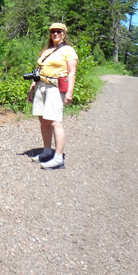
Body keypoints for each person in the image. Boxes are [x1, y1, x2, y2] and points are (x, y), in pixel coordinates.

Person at [27, 22, 78, 170]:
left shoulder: (68, 50)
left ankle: (58, 158)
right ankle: (47, 152)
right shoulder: (48, 50)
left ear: (64, 34)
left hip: (55, 87)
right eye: (53, 31)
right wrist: (33, 86)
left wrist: (70, 92)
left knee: (55, 121)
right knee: (43, 120)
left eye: (59, 31)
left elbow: (71, 72)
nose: (55, 34)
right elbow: (40, 69)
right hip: (41, 85)